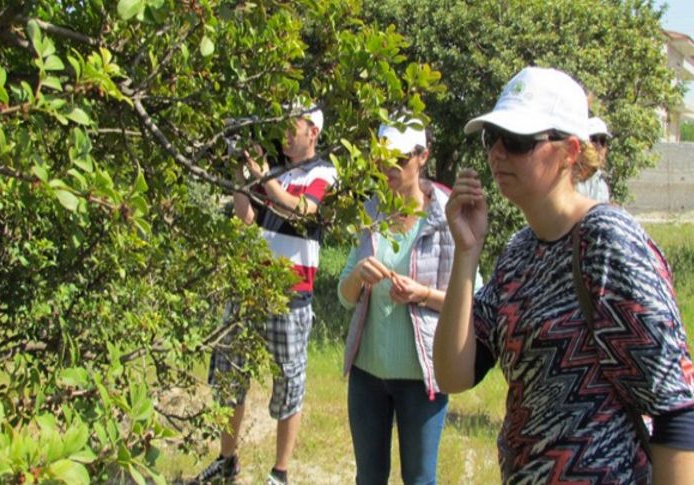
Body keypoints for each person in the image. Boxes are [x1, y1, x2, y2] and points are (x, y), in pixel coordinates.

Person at [434, 67, 694, 484]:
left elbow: (677, 407)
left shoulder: (608, 241)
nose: (498, 153)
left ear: (570, 151)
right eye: (493, 138)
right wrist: (467, 254)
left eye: (520, 141)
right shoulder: (520, 250)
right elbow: (453, 375)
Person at [194, 105, 337, 485]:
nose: (286, 134)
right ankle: (227, 462)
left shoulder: (324, 172)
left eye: (295, 127)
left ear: (314, 132)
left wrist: (263, 176)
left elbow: (303, 211)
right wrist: (238, 174)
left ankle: (279, 473)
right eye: (283, 127)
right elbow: (245, 220)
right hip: (249, 288)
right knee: (230, 376)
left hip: (290, 296)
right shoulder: (274, 170)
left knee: (289, 384)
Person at [337, 119, 481, 484]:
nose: (389, 168)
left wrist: (423, 295)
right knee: (368, 478)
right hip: (367, 375)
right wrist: (358, 277)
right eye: (382, 158)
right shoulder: (372, 211)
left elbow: (473, 300)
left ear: (423, 157)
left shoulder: (448, 215)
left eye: (399, 159)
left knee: (418, 479)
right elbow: (344, 295)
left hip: (423, 377)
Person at [576, 116, 612, 202]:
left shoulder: (601, 181)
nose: (599, 146)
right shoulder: (574, 179)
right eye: (594, 140)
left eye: (602, 141)